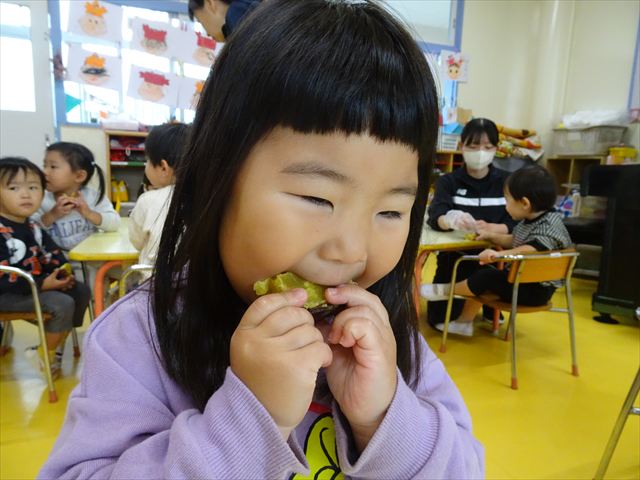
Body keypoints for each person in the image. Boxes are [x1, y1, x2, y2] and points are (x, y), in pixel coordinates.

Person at [39, 1, 484, 478]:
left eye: (391, 211)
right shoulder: (141, 337)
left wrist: (383, 416)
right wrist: (251, 421)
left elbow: (465, 468)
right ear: (216, 180)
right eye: (316, 198)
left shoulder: (389, 337)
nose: (353, 250)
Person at [422, 165, 572, 336]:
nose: (506, 206)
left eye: (508, 201)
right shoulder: (532, 220)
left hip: (534, 290)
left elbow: (531, 249)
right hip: (524, 283)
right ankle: (465, 321)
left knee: (486, 277)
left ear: (524, 203)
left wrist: (498, 254)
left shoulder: (548, 225)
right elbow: (513, 240)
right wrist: (490, 236)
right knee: (483, 274)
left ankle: (444, 291)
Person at [0, 157, 90, 379]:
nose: (25, 195)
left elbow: (52, 254)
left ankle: (54, 342)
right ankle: (47, 353)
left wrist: (62, 274)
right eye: (14, 188)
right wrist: (43, 284)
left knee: (80, 290)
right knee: (61, 304)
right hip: (7, 293)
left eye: (33, 187)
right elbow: (4, 278)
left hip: (34, 287)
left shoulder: (33, 226)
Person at [424, 117, 516, 329]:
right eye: (473, 147)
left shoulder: (507, 182)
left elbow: (520, 220)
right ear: (461, 146)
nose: (480, 152)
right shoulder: (449, 181)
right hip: (455, 257)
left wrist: (495, 229)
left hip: (494, 258)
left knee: (489, 281)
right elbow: (435, 215)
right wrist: (449, 220)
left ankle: (489, 306)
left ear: (496, 149)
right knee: (439, 320)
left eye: (487, 147)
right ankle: (465, 302)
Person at [34, 142, 119, 251]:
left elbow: (114, 224)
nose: (44, 172)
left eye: (53, 167)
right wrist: (52, 215)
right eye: (44, 166)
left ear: (79, 176)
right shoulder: (40, 198)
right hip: (57, 259)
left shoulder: (93, 197)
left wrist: (89, 213)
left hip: (91, 256)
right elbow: (31, 230)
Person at [128, 123, 190, 270]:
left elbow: (136, 241)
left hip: (153, 279)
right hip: (193, 280)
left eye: (148, 160)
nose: (146, 165)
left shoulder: (147, 200)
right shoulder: (205, 198)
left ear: (163, 168)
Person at [188, 0, 260, 41]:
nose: (207, 34)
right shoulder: (250, 6)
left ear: (210, 3)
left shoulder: (236, 16)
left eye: (200, 21)